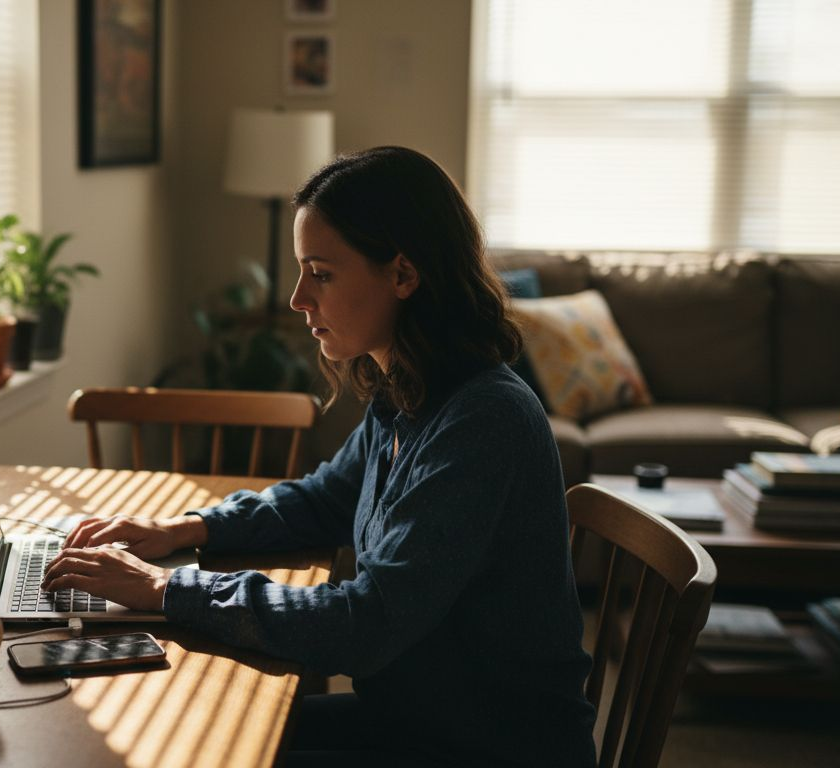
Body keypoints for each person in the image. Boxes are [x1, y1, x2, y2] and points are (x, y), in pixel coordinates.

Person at [41, 146, 597, 766]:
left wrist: (168, 588)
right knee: (208, 731)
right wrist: (181, 528)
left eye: (322, 273)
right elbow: (326, 497)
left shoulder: (481, 419)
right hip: (420, 718)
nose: (298, 298)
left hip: (487, 747)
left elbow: (366, 623)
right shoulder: (411, 386)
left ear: (403, 275)